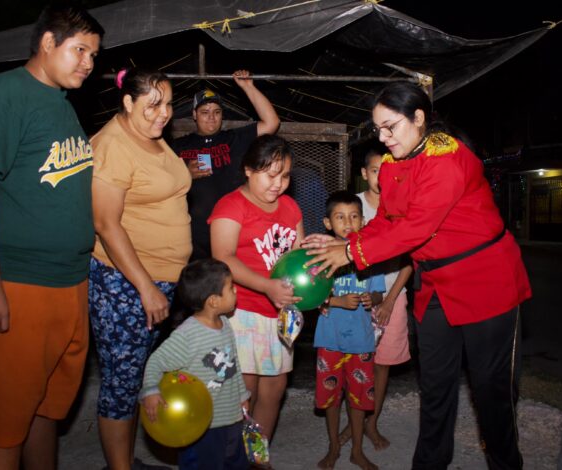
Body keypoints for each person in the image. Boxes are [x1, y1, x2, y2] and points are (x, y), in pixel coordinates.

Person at [303, 81, 532, 470]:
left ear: (419, 118)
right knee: (436, 388)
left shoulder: (450, 157)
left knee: (492, 392)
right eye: (378, 129)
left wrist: (350, 252)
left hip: (485, 282)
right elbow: (388, 222)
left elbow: (417, 228)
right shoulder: (393, 166)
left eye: (391, 127)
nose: (383, 137)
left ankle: (506, 464)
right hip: (436, 288)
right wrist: (342, 244)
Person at [0, 5, 103, 469]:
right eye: (80, 50)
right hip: (17, 283)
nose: (88, 63)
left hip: (68, 282)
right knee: (6, 417)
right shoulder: (3, 96)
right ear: (47, 44)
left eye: (94, 55)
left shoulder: (60, 105)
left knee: (47, 408)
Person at [89, 68, 190, 470]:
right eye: (153, 105)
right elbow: (106, 224)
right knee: (119, 383)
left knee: (132, 377)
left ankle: (125, 460)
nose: (163, 113)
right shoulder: (113, 144)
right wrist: (146, 287)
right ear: (128, 103)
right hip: (125, 283)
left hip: (155, 280)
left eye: (167, 104)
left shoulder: (150, 138)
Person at [209, 134, 304, 442]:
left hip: (280, 316)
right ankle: (232, 457)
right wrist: (267, 286)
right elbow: (223, 258)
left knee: (274, 391)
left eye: (285, 175)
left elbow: (296, 256)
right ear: (249, 169)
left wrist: (316, 257)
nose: (277, 183)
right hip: (243, 312)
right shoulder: (231, 205)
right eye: (270, 174)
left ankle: (257, 458)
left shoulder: (290, 207)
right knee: (242, 393)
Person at [140, 258, 250, 470]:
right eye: (231, 288)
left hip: (230, 417)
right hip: (203, 424)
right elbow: (155, 362)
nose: (236, 292)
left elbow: (232, 365)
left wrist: (242, 395)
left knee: (235, 463)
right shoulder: (188, 335)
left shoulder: (225, 324)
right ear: (213, 301)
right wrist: (151, 391)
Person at [338, 149, 413, 451]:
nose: (380, 177)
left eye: (386, 171)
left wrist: (390, 301)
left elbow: (410, 261)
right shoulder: (352, 207)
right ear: (364, 172)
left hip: (394, 296)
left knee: (382, 365)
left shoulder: (404, 207)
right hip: (356, 298)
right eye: (374, 170)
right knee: (354, 363)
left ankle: (372, 423)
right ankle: (353, 422)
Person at [171, 70, 280, 262]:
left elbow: (272, 122)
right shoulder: (178, 145)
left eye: (216, 112)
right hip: (192, 233)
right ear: (194, 115)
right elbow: (162, 182)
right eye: (205, 112)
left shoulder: (234, 139)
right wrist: (184, 173)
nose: (211, 117)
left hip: (233, 228)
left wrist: (248, 86)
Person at [313, 191, 385, 470]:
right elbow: (310, 296)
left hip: (361, 341)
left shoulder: (368, 257)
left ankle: (356, 449)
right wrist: (335, 301)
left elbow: (378, 291)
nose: (347, 222)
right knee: (331, 399)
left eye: (354, 217)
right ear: (327, 223)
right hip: (329, 340)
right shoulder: (320, 257)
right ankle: (334, 447)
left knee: (358, 399)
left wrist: (373, 299)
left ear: (363, 222)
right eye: (340, 217)